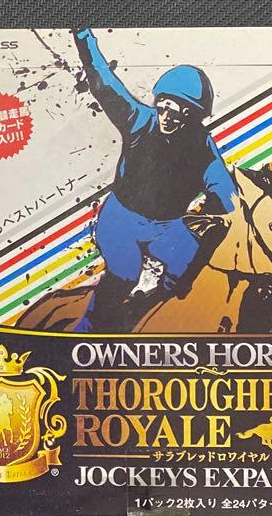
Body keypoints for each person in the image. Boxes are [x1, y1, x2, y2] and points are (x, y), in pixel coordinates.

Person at [72, 27, 238, 332]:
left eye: (178, 113)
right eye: (164, 107)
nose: (167, 118)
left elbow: (225, 191)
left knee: (189, 263)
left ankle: (153, 311)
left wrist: (220, 206)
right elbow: (104, 83)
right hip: (121, 220)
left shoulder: (201, 145)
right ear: (158, 103)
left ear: (193, 117)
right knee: (125, 273)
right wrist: (84, 38)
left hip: (166, 226)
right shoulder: (138, 120)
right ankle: (88, 328)